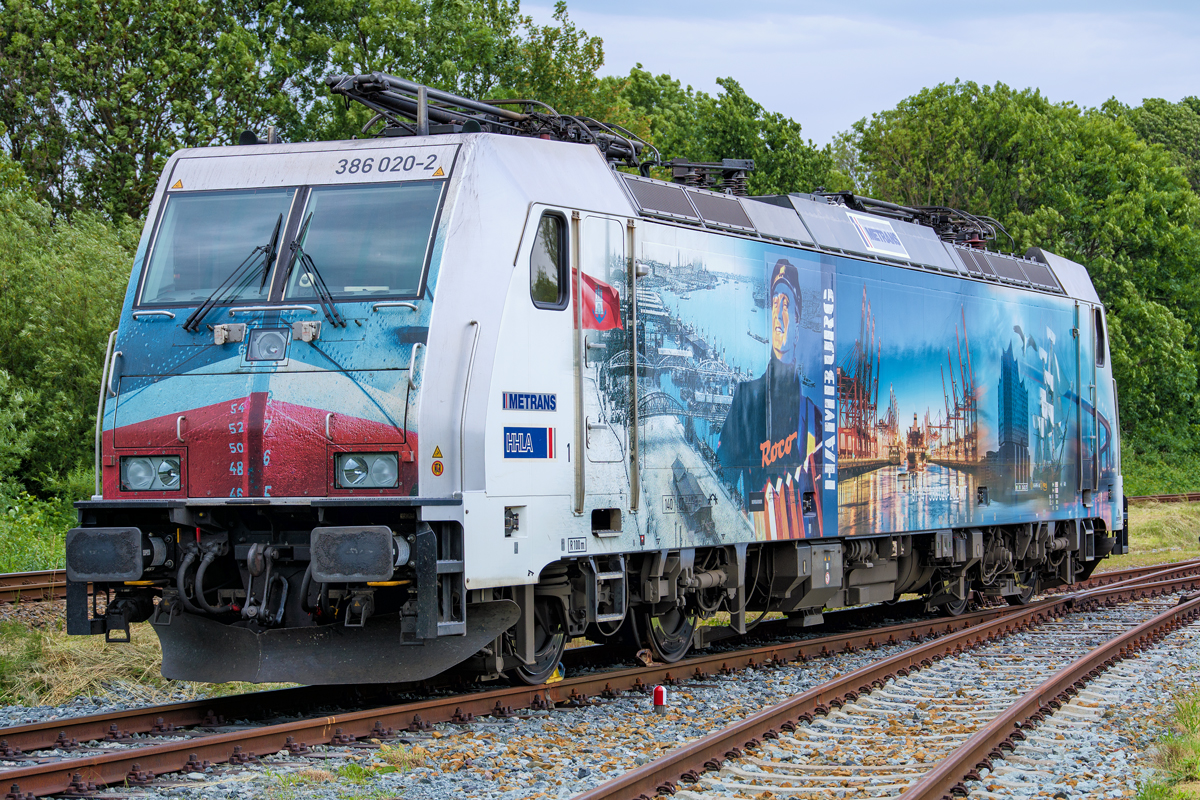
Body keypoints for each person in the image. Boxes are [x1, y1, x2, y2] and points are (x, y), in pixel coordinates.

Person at [717, 259, 823, 538]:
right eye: (774, 303)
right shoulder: (744, 400)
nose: (778, 314)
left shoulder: (814, 420)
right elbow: (722, 481)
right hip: (754, 533)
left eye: (786, 305)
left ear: (797, 320)